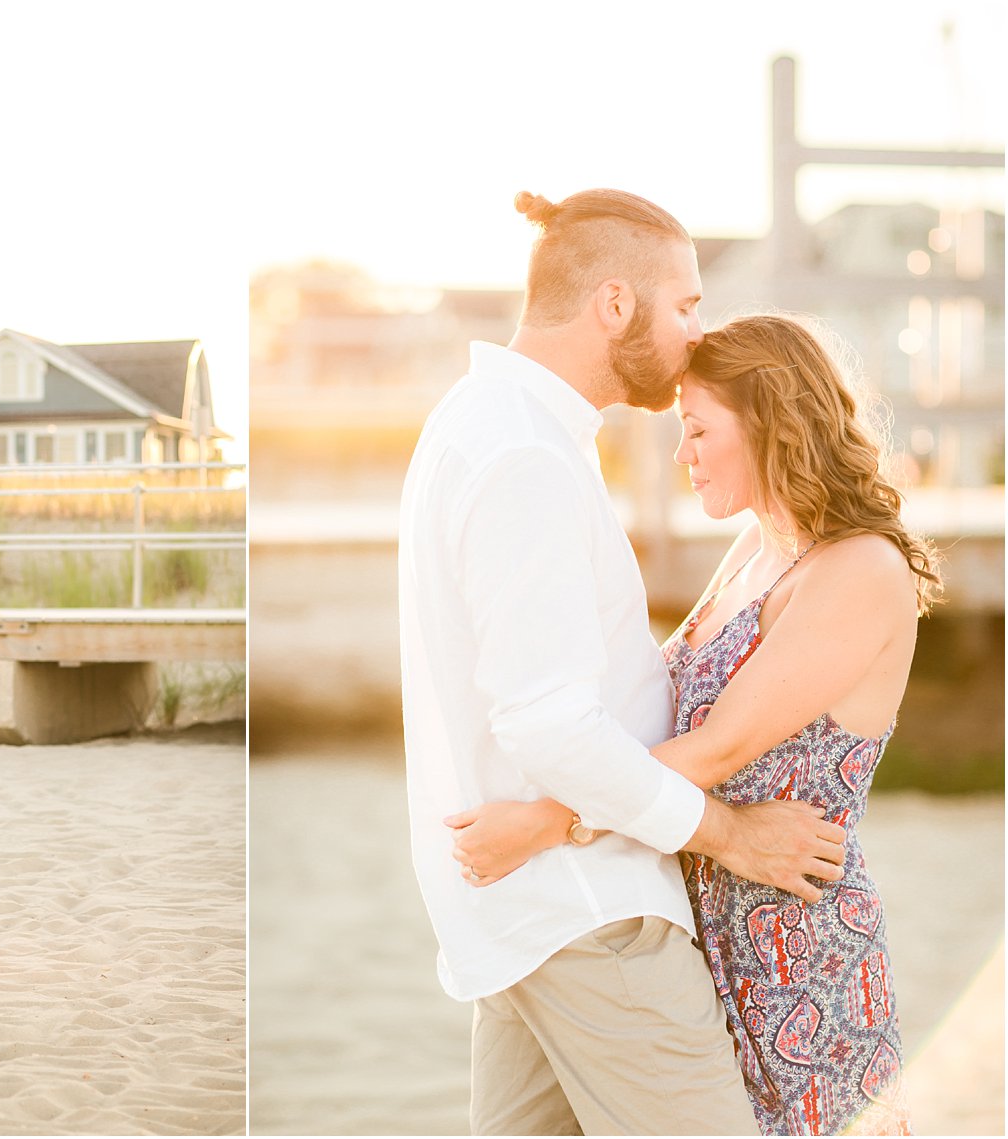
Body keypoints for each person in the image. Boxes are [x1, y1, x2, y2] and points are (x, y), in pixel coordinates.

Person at [399, 188, 850, 1135]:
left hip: (529, 921)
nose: (696, 331)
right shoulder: (524, 455)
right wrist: (730, 834)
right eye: (684, 305)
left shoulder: (482, 423)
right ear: (614, 305)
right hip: (591, 920)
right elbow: (550, 724)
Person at [451, 313, 938, 1135]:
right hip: (701, 924)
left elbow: (719, 746)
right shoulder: (756, 548)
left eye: (698, 427)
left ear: (772, 423)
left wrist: (540, 825)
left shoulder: (861, 569)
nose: (683, 453)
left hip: (796, 953)